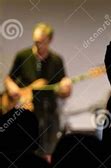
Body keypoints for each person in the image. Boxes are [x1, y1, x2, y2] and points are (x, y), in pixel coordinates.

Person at [3, 22, 72, 158]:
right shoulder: (23, 56)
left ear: (49, 41)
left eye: (41, 42)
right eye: (36, 42)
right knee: (25, 150)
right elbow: (9, 79)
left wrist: (66, 89)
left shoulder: (56, 60)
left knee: (49, 151)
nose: (38, 45)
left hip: (48, 113)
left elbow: (63, 92)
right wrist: (13, 88)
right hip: (26, 112)